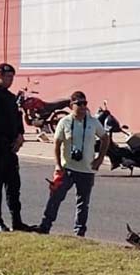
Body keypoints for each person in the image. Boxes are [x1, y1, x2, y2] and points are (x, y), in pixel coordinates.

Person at [36, 91, 111, 237]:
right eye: (79, 104)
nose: (83, 107)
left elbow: (105, 138)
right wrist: (58, 166)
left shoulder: (93, 122)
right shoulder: (64, 122)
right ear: (71, 105)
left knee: (83, 203)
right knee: (55, 198)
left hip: (87, 170)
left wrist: (100, 158)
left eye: (85, 103)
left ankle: (79, 232)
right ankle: (45, 226)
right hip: (67, 168)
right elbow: (57, 145)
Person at [0, 63, 32, 232]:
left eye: (12, 77)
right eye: (7, 76)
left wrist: (19, 136)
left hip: (11, 148)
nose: (9, 80)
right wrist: (9, 137)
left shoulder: (11, 98)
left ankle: (17, 221)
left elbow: (17, 118)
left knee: (13, 185)